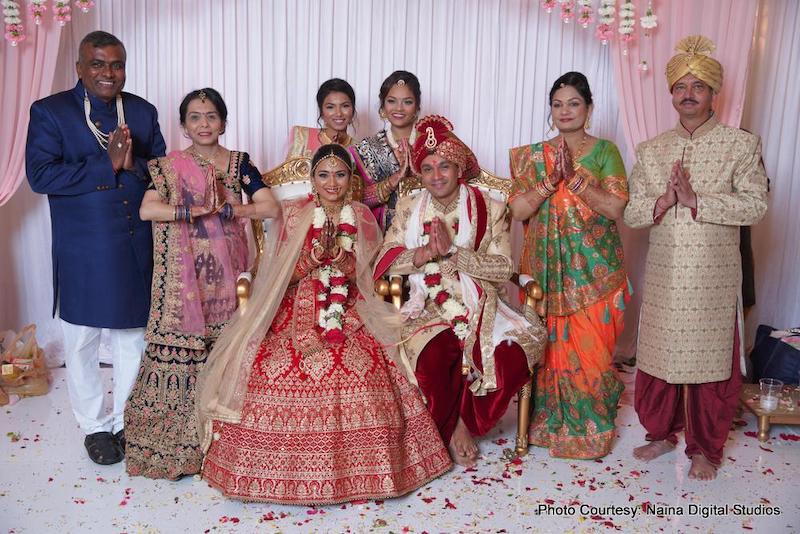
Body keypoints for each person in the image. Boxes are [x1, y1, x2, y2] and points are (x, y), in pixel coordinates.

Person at [196, 144, 451, 504]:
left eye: (341, 174)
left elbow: (368, 274)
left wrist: (342, 260)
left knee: (360, 368)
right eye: (324, 174)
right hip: (296, 302)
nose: (332, 183)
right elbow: (281, 276)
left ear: (351, 179)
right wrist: (315, 258)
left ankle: (364, 471)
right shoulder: (295, 214)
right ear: (313, 179)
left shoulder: (361, 216)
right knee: (270, 368)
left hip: (348, 302)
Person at [624, 36, 768, 481]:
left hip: (714, 276)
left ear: (712, 93)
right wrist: (663, 201)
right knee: (659, 354)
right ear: (671, 94)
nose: (688, 93)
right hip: (667, 273)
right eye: (680, 86)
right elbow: (631, 213)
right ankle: (661, 433)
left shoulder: (740, 145)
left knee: (709, 362)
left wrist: (697, 199)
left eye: (698, 86)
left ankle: (705, 447)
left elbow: (756, 206)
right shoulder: (651, 149)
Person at [122, 88, 280, 479]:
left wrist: (234, 208)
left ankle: (228, 446)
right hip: (184, 281)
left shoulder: (240, 164)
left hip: (228, 277)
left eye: (211, 116)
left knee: (227, 349)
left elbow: (271, 207)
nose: (204, 124)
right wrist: (188, 211)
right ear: (184, 126)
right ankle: (179, 448)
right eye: (195, 117)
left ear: (223, 122)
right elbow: (147, 209)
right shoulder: (169, 166)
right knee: (184, 354)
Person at [25, 31, 166, 465]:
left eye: (117, 64)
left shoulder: (141, 111)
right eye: (99, 64)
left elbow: (162, 172)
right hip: (83, 245)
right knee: (82, 340)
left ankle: (125, 419)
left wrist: (132, 162)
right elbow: (41, 177)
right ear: (80, 68)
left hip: (133, 243)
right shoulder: (50, 112)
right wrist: (107, 163)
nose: (109, 73)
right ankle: (93, 426)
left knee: (131, 337)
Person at [374, 116, 546, 467]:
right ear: (419, 174)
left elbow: (503, 269)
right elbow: (385, 260)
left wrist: (454, 253)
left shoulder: (490, 208)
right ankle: (454, 429)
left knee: (512, 355)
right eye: (427, 168)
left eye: (444, 166)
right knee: (434, 360)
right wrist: (425, 254)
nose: (436, 175)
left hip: (481, 305)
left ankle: (462, 422)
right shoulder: (409, 208)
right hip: (426, 308)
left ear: (459, 168)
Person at [508, 72, 631, 459]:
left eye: (573, 103)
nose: (565, 111)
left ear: (589, 108)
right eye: (558, 104)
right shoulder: (534, 156)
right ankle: (548, 425)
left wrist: (575, 181)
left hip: (596, 273)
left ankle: (590, 429)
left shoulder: (605, 151)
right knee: (549, 352)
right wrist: (550, 182)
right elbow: (516, 209)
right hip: (546, 276)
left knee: (592, 352)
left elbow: (615, 207)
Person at [352, 70, 420, 229]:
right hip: (382, 234)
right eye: (392, 101)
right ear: (383, 107)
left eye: (407, 102)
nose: (399, 108)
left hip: (426, 228)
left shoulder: (432, 142)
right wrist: (391, 181)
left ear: (417, 108)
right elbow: (356, 200)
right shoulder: (366, 148)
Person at [285, 78, 357, 159]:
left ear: (353, 110)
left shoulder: (359, 151)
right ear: (321, 112)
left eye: (345, 106)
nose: (339, 113)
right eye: (330, 107)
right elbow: (289, 171)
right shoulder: (302, 137)